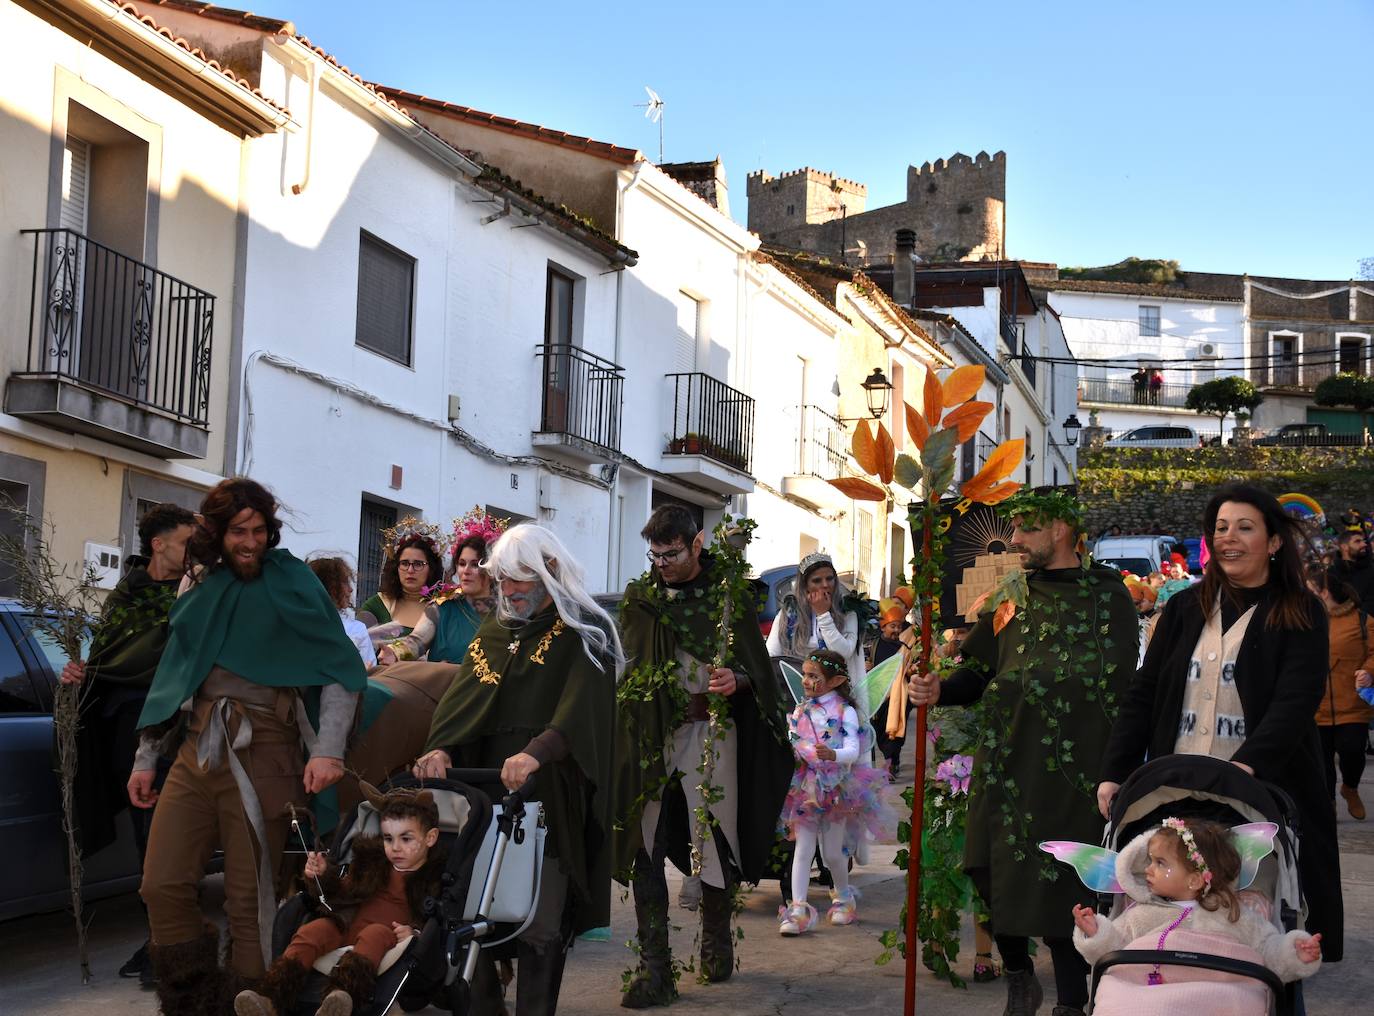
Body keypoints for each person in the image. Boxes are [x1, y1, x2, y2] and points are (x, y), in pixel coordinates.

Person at [133, 478, 368, 1013]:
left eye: (259, 531)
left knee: (250, 900)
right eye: (239, 531)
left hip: (267, 751)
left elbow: (339, 668)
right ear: (216, 533)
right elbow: (175, 675)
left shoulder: (293, 583)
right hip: (196, 749)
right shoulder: (197, 583)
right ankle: (192, 1001)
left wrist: (329, 749)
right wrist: (147, 758)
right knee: (161, 883)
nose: (250, 542)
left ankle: (252, 1003)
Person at [907, 488, 1139, 1016]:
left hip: (1075, 770)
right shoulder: (1010, 593)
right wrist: (940, 689)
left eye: (1025, 529)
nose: (1013, 540)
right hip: (1007, 758)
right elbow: (979, 669)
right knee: (991, 866)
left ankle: (1072, 1002)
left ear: (1060, 530)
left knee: (1064, 878)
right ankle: (1018, 976)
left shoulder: (1108, 594)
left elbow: (1124, 685)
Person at [1097, 482, 1343, 963]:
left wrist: (1249, 767)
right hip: (1179, 794)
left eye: (1245, 528)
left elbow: (1295, 701)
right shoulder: (1187, 608)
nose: (1230, 537)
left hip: (1261, 796)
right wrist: (1116, 769)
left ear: (1273, 542)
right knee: (1169, 916)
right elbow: (1144, 694)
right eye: (1221, 528)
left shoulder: (1300, 611)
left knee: (1254, 924)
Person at [413, 524, 621, 1016]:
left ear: (550, 571)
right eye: (502, 580)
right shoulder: (496, 628)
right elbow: (463, 699)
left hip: (549, 790)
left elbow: (583, 709)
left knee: (541, 918)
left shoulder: (586, 629)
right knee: (468, 910)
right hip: (483, 792)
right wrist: (440, 746)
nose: (508, 591)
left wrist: (537, 751)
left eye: (519, 580)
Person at [613, 505, 794, 1008]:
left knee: (713, 836)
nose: (662, 564)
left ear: (696, 545)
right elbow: (629, 663)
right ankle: (656, 969)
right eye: (654, 555)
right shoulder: (641, 598)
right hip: (652, 732)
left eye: (671, 554)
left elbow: (761, 672)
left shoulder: (729, 596)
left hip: (711, 730)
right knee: (643, 841)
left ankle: (715, 939)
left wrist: (737, 680)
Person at [61, 502, 196, 986]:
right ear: (158, 544)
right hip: (125, 727)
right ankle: (160, 939)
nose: (192, 552)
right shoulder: (125, 596)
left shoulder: (195, 594)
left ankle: (165, 942)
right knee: (147, 838)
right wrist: (80, 673)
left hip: (171, 731)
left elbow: (185, 661)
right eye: (185, 542)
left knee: (160, 839)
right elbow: (108, 658)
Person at [234, 784, 448, 1016]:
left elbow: (438, 918)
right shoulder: (372, 866)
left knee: (375, 933)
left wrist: (415, 932)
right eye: (388, 838)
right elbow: (340, 893)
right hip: (347, 925)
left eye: (406, 839)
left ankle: (340, 999)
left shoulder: (434, 878)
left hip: (386, 939)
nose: (395, 847)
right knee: (314, 930)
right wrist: (322, 875)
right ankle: (271, 999)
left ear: (430, 838)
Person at [1072, 817, 1320, 1013]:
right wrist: (1095, 932)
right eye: (1150, 860)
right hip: (1144, 993)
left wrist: (1293, 953)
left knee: (1240, 1000)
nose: (1147, 869)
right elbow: (1113, 947)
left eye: (1160, 863)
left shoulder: (1234, 914)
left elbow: (1269, 950)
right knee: (1122, 999)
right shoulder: (1140, 914)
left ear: (1194, 880)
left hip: (1220, 991)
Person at [777, 650, 898, 935]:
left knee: (832, 853)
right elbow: (795, 742)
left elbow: (854, 751)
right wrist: (802, 749)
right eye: (805, 674)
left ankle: (843, 898)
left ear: (836, 680)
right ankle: (797, 910)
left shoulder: (846, 711)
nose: (805, 681)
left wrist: (832, 754)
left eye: (812, 676)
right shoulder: (800, 710)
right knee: (803, 848)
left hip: (837, 789)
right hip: (807, 787)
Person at [379, 508, 506, 665]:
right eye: (461, 564)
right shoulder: (442, 607)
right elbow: (417, 640)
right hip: (445, 686)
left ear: (491, 569)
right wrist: (395, 652)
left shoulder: (507, 611)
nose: (465, 571)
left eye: (475, 565)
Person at [1308, 567, 1374, 819]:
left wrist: (1368, 670)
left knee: (1353, 751)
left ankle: (1350, 787)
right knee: (1321, 760)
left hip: (1352, 703)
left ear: (1323, 593)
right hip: (1316, 705)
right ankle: (1329, 803)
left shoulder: (1362, 620)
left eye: (1310, 591)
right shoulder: (1307, 620)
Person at [766, 552, 868, 698]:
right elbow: (771, 654)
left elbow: (843, 653)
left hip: (835, 696)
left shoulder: (848, 611)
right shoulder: (789, 612)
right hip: (797, 692)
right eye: (817, 581)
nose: (825, 585)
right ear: (805, 585)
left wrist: (823, 615)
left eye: (829, 578)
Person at [357, 518, 444, 635]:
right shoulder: (377, 605)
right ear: (395, 567)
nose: (410, 570)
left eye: (418, 564)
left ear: (432, 568)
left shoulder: (443, 608)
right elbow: (357, 644)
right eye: (404, 563)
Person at [307, 555, 377, 669]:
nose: (350, 589)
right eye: (345, 582)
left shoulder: (357, 629)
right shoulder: (300, 624)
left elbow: (371, 670)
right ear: (328, 587)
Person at [1330, 526, 1374, 615]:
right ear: (1344, 547)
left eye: (1363, 541)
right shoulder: (1331, 575)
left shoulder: (1371, 567)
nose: (1364, 544)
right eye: (1357, 541)